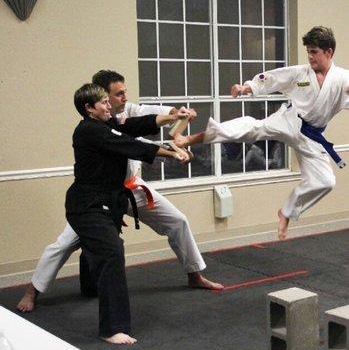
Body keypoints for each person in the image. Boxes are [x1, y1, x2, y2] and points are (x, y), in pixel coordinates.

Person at [17, 71, 223, 313]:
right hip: (100, 197)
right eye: (118, 94)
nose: (124, 97)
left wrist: (180, 115)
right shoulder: (96, 126)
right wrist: (171, 152)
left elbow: (154, 118)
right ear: (103, 98)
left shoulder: (129, 110)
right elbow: (133, 145)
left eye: (124, 92)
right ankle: (32, 290)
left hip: (132, 188)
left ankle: (194, 274)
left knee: (178, 221)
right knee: (64, 244)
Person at [174, 26, 349, 240]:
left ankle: (287, 212)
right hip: (289, 120)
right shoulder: (301, 73)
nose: (310, 56)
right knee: (252, 128)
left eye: (314, 52)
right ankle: (190, 138)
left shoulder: (341, 79)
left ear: (329, 52)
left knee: (325, 181)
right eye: (309, 52)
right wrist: (246, 87)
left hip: (312, 136)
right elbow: (273, 78)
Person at [65, 83, 190, 344]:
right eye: (103, 102)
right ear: (89, 108)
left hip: (107, 202)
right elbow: (130, 145)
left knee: (99, 248)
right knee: (111, 252)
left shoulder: (106, 124)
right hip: (87, 205)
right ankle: (112, 328)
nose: (109, 105)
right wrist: (173, 152)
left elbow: (135, 126)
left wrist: (172, 117)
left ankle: (90, 288)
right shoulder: (90, 130)